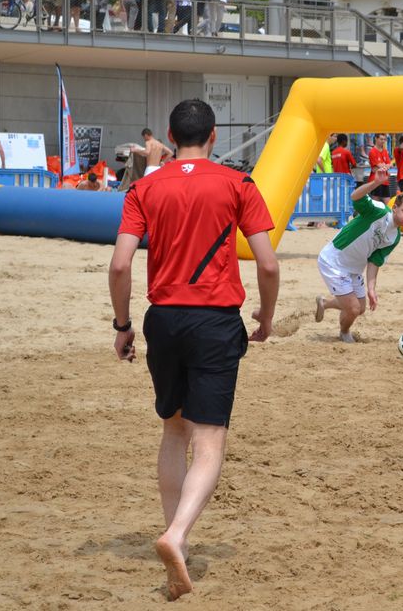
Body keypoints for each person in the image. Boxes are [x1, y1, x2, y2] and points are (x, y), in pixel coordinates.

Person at [108, 98, 280, 601]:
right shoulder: (237, 184)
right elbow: (267, 265)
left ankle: (172, 532)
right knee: (209, 437)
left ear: (169, 133)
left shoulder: (144, 186)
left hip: (163, 319)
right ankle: (177, 534)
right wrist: (266, 316)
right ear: (213, 138)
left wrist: (122, 325)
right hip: (215, 320)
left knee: (173, 431)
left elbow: (120, 266)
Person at [314, 171, 403, 342]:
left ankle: (325, 303)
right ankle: (344, 333)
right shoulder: (378, 211)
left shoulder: (395, 237)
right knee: (353, 309)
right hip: (334, 261)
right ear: (394, 208)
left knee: (360, 308)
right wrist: (375, 183)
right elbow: (355, 197)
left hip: (354, 268)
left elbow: (374, 262)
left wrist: (371, 289)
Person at [365, 133, 393, 202]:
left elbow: (390, 165)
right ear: (376, 138)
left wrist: (383, 166)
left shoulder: (385, 151)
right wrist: (385, 166)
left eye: (384, 139)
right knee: (375, 204)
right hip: (376, 181)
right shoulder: (372, 151)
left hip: (384, 181)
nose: (383, 141)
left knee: (388, 203)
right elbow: (375, 169)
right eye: (381, 139)